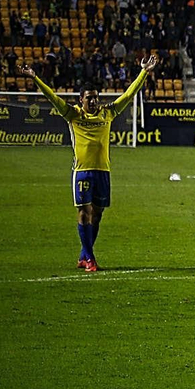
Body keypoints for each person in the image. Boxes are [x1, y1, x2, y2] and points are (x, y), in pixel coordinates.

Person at [24, 54, 158, 272]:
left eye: (95, 97)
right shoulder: (72, 115)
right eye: (89, 98)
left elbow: (129, 94)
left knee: (98, 213)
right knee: (84, 213)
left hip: (103, 172)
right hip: (83, 172)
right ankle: (90, 259)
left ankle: (84, 255)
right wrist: (35, 78)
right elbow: (52, 97)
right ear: (81, 100)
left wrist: (144, 72)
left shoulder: (108, 113)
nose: (93, 101)